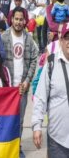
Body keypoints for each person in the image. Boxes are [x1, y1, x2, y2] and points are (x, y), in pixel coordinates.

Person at [1, 6, 38, 158]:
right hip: (6, 89)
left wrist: (27, 81)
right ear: (11, 19)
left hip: (22, 88)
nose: (18, 22)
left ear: (24, 21)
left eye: (21, 19)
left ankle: (17, 146)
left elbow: (35, 59)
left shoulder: (29, 39)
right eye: (16, 19)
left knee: (20, 120)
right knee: (5, 119)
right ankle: (5, 146)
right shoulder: (3, 37)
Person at [32, 22, 69, 158]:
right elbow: (40, 97)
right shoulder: (51, 65)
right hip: (57, 140)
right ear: (61, 40)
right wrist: (37, 126)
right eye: (67, 38)